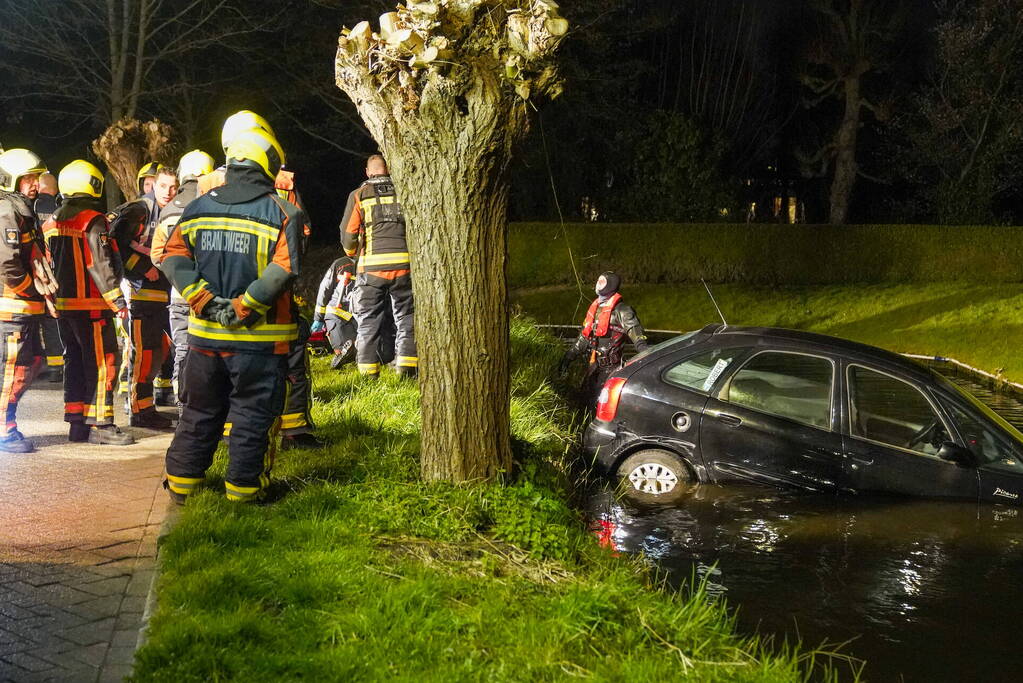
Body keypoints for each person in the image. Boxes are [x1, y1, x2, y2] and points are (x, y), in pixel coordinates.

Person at [161, 127, 304, 504]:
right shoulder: (283, 211)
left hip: (205, 339)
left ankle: (180, 485)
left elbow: (172, 257)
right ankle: (242, 493)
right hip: (258, 342)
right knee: (252, 417)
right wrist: (244, 306)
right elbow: (283, 269)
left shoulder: (197, 207)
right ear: (268, 162)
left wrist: (203, 299)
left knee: (199, 411)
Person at [49, 160, 135, 445]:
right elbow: (101, 264)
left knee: (73, 361)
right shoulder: (93, 220)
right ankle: (103, 423)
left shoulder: (53, 220)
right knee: (102, 362)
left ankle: (77, 423)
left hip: (63, 307)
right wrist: (118, 302)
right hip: (92, 306)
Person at [109, 167, 177, 428]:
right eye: (163, 187)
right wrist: (141, 266)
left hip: (165, 292)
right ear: (153, 186)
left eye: (173, 187)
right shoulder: (138, 210)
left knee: (161, 349)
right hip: (140, 291)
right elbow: (112, 245)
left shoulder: (177, 209)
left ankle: (146, 406)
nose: (169, 193)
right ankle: (140, 410)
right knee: (144, 351)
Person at [340, 154, 416, 378]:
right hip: (404, 265)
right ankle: (406, 369)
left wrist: (353, 255)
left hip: (371, 270)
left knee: (368, 321)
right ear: (388, 169)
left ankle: (368, 373)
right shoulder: (405, 191)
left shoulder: (359, 194)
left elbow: (348, 237)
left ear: (367, 172)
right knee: (406, 317)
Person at [151, 149, 214, 404]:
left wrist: (178, 274)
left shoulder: (166, 212)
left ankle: (182, 407)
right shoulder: (211, 205)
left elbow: (157, 256)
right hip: (207, 294)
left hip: (178, 295)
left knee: (182, 352)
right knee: (208, 354)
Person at [0, 148, 49, 453]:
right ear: (12, 180)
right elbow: (7, 264)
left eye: (36, 178)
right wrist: (33, 287)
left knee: (33, 363)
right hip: (12, 308)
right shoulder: (7, 211)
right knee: (13, 370)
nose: (36, 184)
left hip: (25, 308)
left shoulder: (21, 210)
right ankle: (5, 430)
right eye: (29, 178)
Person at [559, 272, 649, 403]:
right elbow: (585, 336)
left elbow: (636, 333)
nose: (597, 284)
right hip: (593, 366)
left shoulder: (623, 311)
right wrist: (570, 355)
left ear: (611, 285)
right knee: (584, 400)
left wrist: (645, 352)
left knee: (600, 402)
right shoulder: (595, 310)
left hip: (611, 369)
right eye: (598, 281)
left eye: (602, 282)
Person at [311, 256, 395, 370]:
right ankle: (343, 352)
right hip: (339, 313)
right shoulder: (341, 264)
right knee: (346, 348)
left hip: (362, 314)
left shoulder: (375, 265)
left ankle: (360, 352)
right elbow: (324, 289)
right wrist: (318, 318)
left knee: (381, 353)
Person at [34, 172, 64, 381]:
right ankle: (56, 366)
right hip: (56, 271)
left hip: (33, 269)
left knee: (30, 319)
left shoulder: (30, 206)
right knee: (52, 319)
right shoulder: (61, 209)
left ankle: (33, 363)